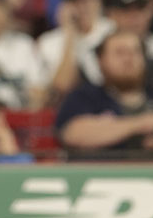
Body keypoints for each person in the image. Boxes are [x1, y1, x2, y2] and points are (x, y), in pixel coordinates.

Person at [57, 31, 153, 159]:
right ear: (100, 60)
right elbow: (73, 135)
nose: (129, 59)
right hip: (101, 174)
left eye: (135, 52)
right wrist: (141, 124)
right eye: (120, 53)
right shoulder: (84, 96)